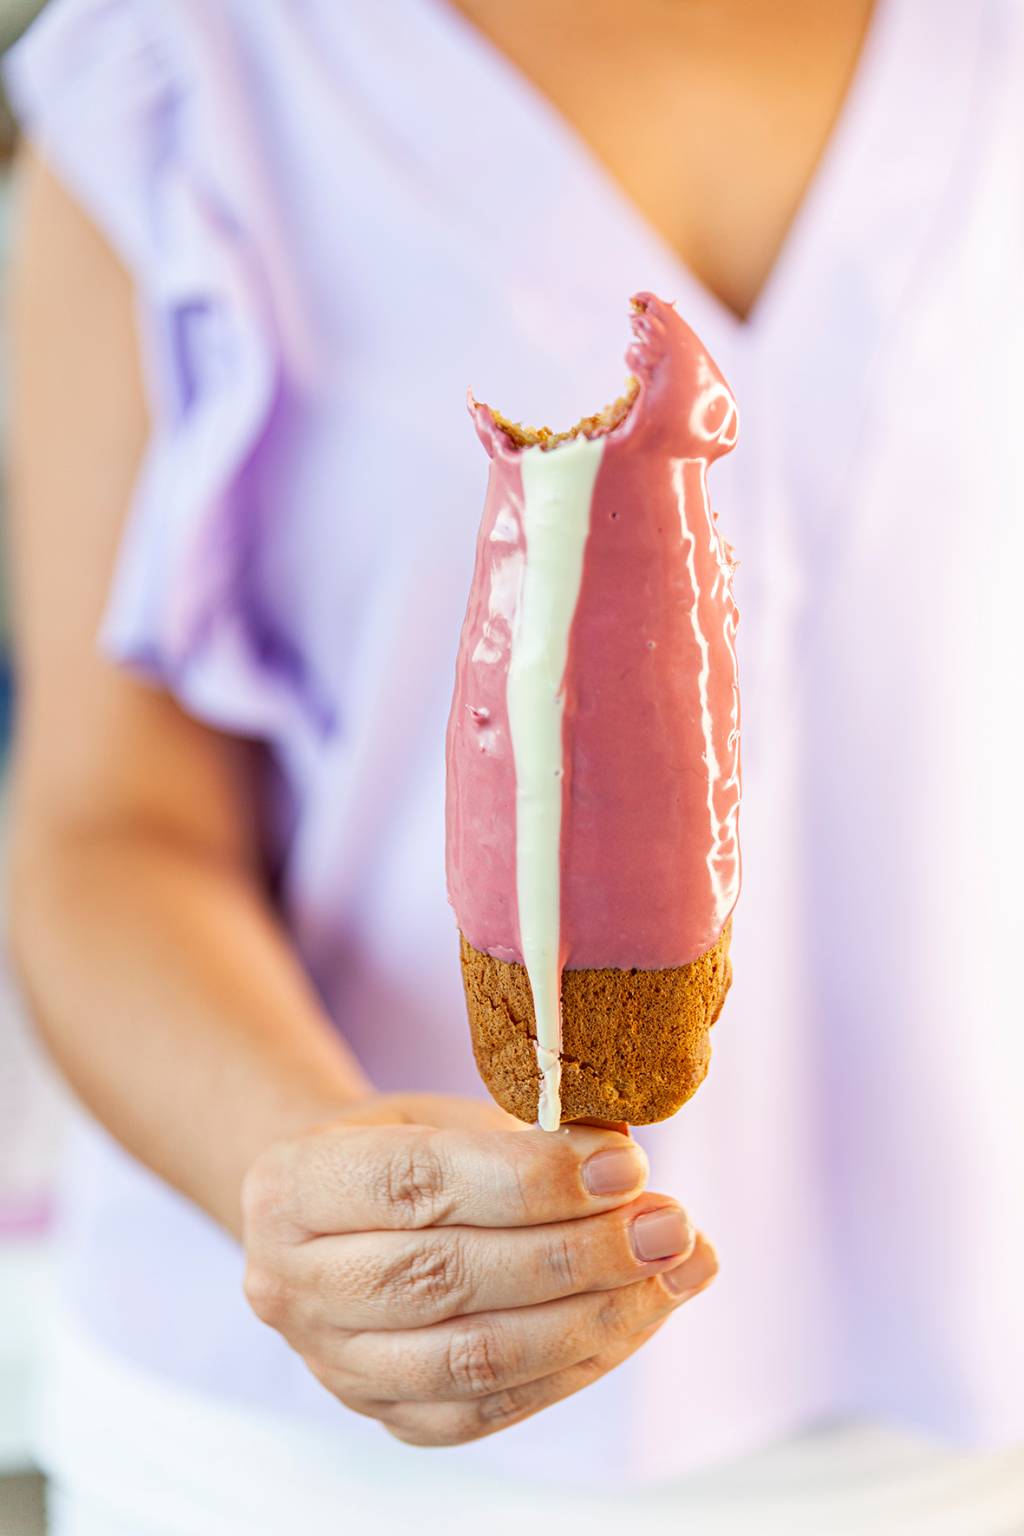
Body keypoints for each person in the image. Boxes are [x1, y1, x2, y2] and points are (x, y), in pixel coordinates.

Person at [5, 0, 1024, 1531]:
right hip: (328, 1457)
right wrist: (294, 1169)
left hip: (970, 1429)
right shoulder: (185, 68)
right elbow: (107, 826)